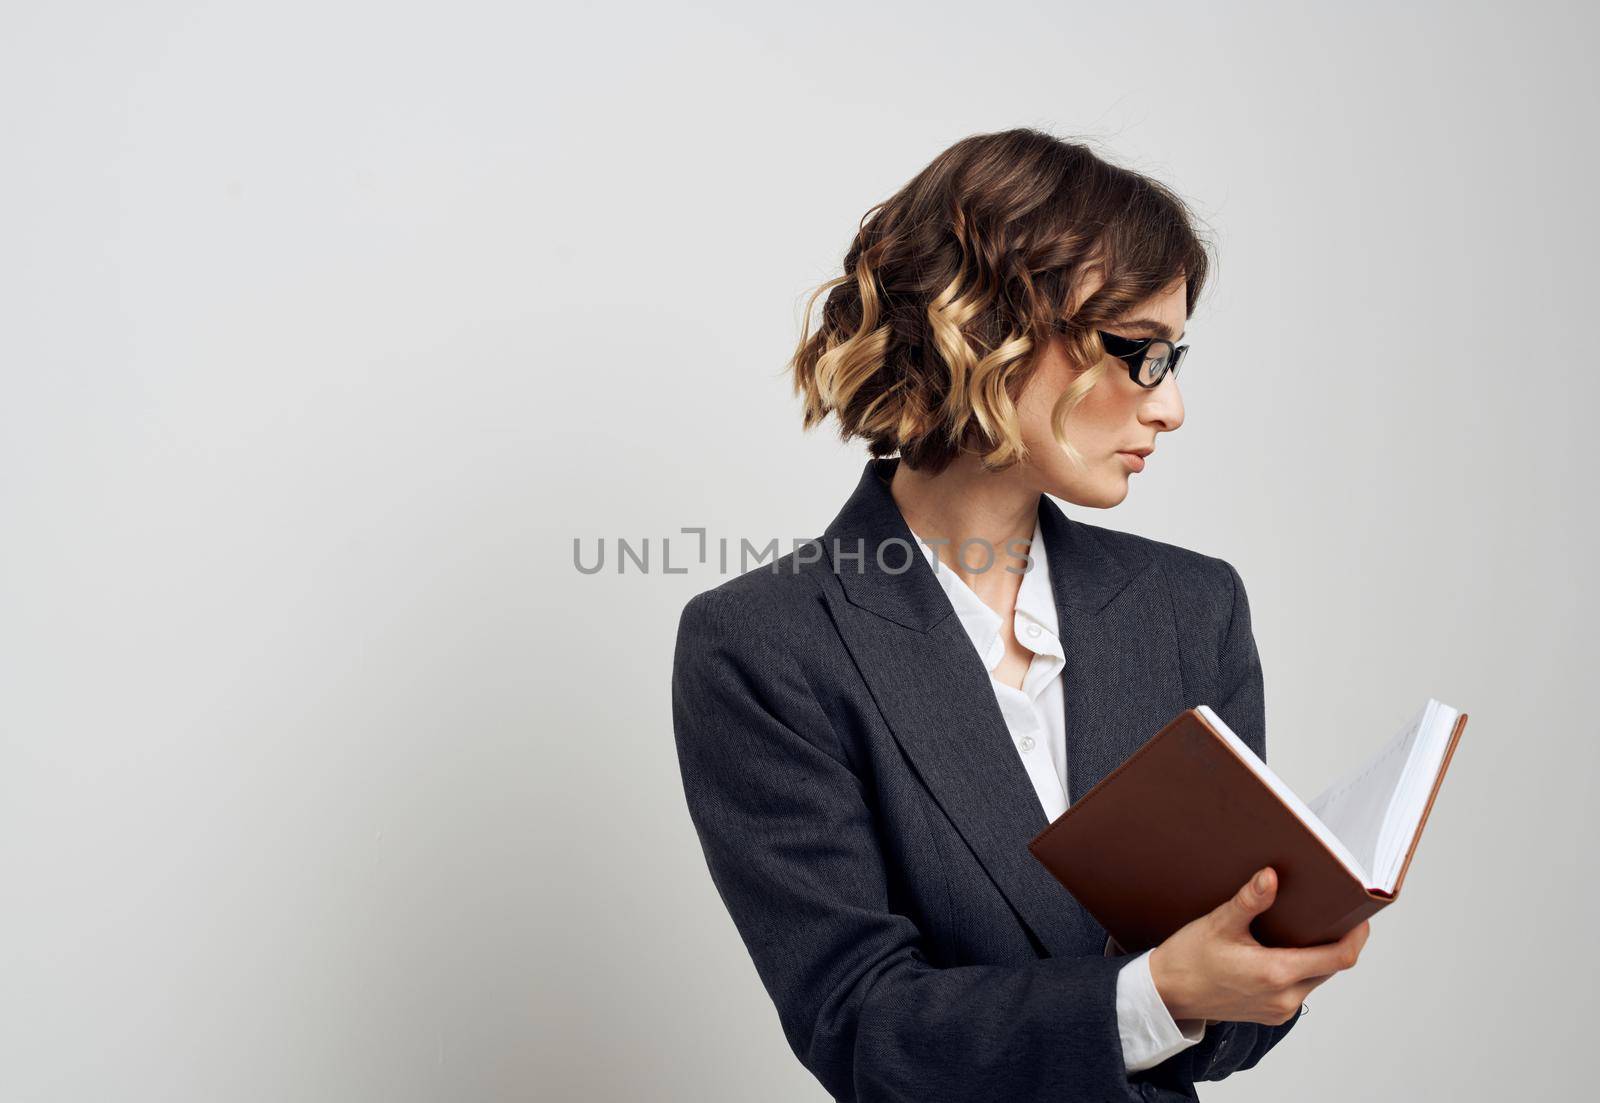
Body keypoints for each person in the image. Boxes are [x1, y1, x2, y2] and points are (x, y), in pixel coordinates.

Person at [670, 128, 1370, 1102]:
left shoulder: (1190, 607)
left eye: (1174, 357)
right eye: (1140, 354)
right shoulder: (764, 645)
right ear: (987, 333)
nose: (1170, 408)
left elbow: (1236, 1003)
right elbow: (862, 1027)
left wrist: (1251, 969)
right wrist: (1155, 992)